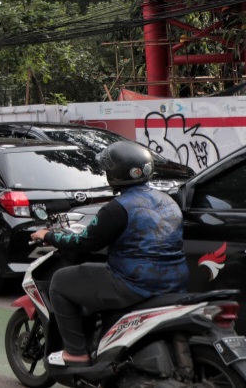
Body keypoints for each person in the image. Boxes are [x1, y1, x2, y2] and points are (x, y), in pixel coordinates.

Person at [30, 141, 189, 366]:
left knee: (60, 281)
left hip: (133, 284)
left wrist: (47, 235)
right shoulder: (169, 202)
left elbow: (83, 243)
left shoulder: (117, 208)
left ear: (115, 174)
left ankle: (75, 352)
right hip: (175, 282)